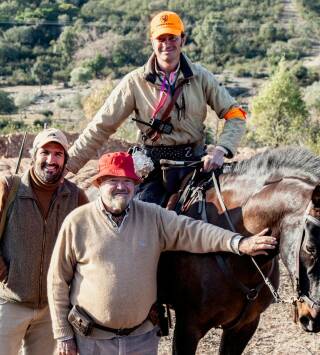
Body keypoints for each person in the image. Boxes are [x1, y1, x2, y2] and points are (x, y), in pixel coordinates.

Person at [48, 151, 277, 355]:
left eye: (127, 181)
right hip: (91, 342)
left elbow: (194, 230)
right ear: (99, 184)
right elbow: (57, 281)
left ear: (135, 185)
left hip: (141, 341)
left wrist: (239, 243)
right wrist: (63, 335)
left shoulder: (152, 216)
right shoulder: (78, 222)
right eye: (113, 180)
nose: (121, 186)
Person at [66, 10, 247, 206]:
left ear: (182, 39)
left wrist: (221, 149)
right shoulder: (134, 82)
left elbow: (236, 114)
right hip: (151, 169)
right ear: (152, 41)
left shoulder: (201, 77)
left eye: (172, 37)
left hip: (194, 164)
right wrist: (67, 166)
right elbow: (101, 126)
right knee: (138, 220)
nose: (167, 44)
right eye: (161, 38)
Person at [0, 128, 88, 355]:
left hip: (52, 310)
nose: (51, 160)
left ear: (65, 160)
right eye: (45, 152)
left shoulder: (76, 197)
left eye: (58, 154)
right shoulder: (9, 188)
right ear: (34, 155)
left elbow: (90, 246)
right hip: (9, 303)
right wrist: (4, 272)